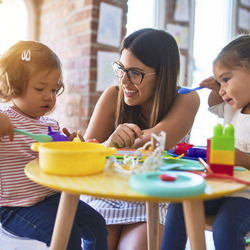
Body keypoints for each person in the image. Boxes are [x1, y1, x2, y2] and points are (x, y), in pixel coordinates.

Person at [81, 28, 200, 250]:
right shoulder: (112, 96)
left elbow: (157, 139)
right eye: (122, 69)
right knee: (98, 244)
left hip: (157, 196)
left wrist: (113, 147)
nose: (125, 80)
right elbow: (86, 153)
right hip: (109, 192)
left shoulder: (186, 98)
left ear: (162, 74)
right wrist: (109, 144)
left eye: (135, 73)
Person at [0, 41, 108, 250]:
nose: (49, 96)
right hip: (15, 207)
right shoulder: (6, 120)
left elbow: (59, 159)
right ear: (14, 84)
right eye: (40, 88)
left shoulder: (51, 126)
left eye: (54, 89)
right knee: (68, 235)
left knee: (97, 225)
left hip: (51, 197)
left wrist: (72, 145)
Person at [161, 34, 250, 250]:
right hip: (223, 189)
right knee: (180, 203)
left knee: (225, 227)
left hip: (246, 197)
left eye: (226, 79)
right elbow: (214, 105)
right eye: (219, 82)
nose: (221, 89)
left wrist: (242, 159)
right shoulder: (234, 108)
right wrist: (216, 87)